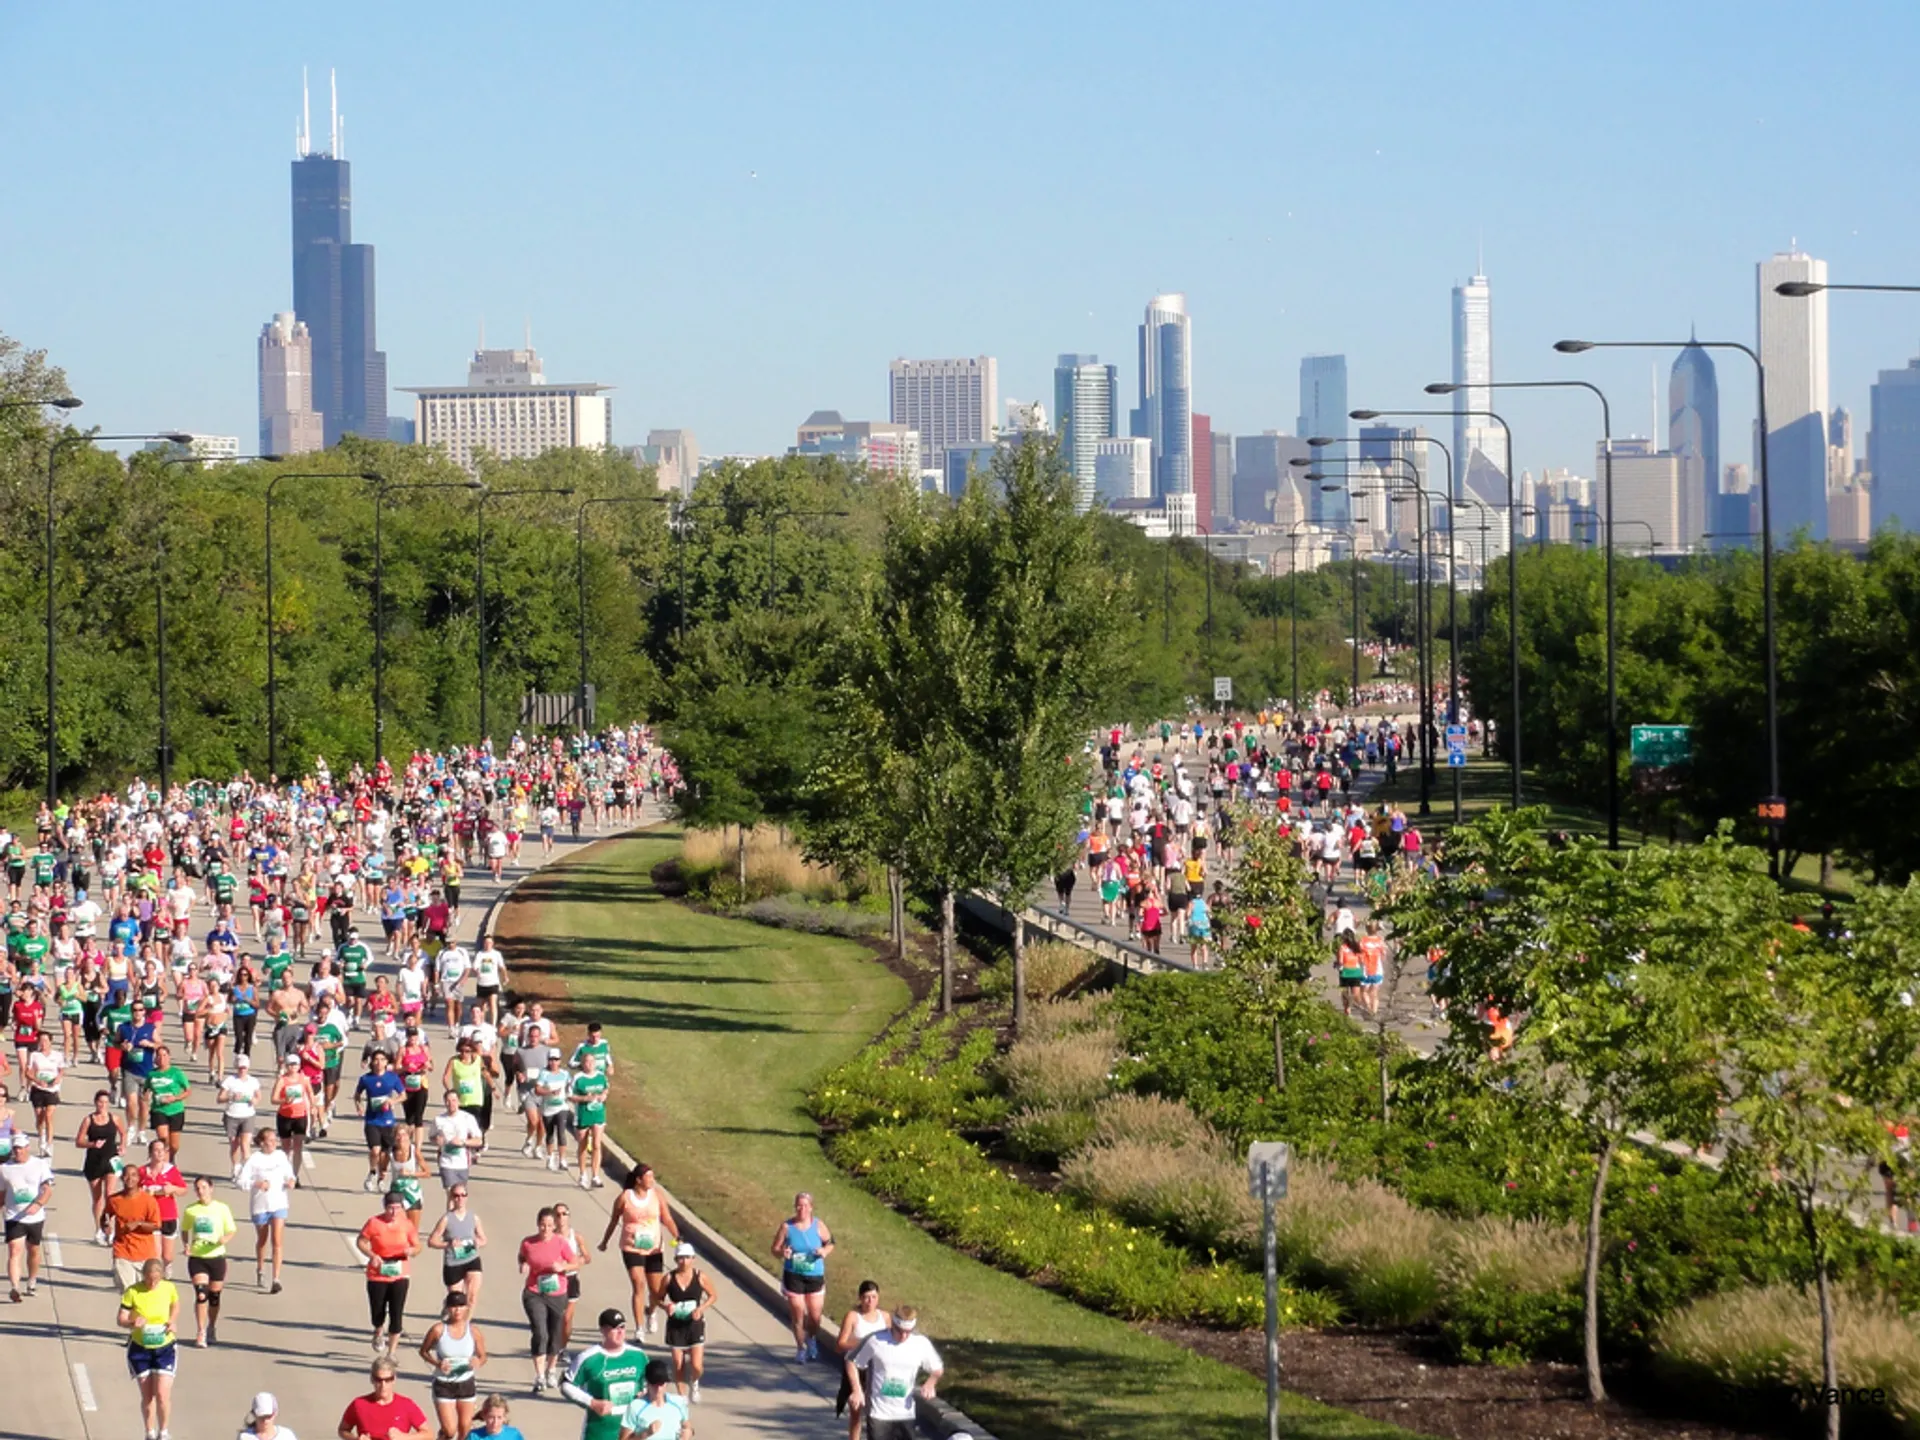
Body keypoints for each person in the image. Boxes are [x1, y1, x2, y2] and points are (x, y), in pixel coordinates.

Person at [598, 1162, 679, 1336]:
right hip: (631, 1247)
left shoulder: (657, 1195)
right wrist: (605, 1241)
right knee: (638, 1284)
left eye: (652, 1176)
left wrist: (677, 1237)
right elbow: (613, 1221)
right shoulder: (625, 1198)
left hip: (654, 1249)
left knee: (656, 1290)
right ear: (638, 1180)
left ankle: (651, 1311)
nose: (652, 1180)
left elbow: (667, 1218)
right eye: (648, 1177)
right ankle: (639, 1327)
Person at [844, 1304, 944, 1440]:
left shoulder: (921, 1344)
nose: (903, 1336)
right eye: (899, 1330)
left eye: (908, 1332)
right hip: (879, 1413)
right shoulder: (876, 1340)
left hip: (906, 1413)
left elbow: (937, 1368)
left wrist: (931, 1382)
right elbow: (851, 1362)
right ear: (893, 1324)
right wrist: (857, 1390)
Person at [518, 1206, 582, 1392]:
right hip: (534, 1292)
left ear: (554, 1226)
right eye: (542, 1225)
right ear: (537, 1225)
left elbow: (576, 1262)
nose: (545, 1229)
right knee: (540, 1332)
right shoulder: (528, 1243)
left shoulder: (561, 1243)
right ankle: (539, 1375)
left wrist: (562, 1267)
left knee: (555, 1333)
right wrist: (523, 1265)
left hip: (557, 1293)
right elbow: (522, 1256)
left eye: (549, 1225)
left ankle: (551, 1369)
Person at [558, 1306, 647, 1440]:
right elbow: (566, 1386)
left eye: (622, 1327)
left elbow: (650, 1383)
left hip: (633, 1428)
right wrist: (593, 1403)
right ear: (603, 1330)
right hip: (600, 1430)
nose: (620, 1332)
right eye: (614, 1328)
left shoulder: (638, 1356)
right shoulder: (589, 1358)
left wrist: (645, 1393)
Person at [119, 1256, 180, 1440]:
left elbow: (175, 1305)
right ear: (143, 1275)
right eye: (148, 1279)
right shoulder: (133, 1292)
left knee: (162, 1394)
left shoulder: (169, 1288)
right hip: (140, 1349)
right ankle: (149, 1433)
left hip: (165, 1348)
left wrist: (172, 1321)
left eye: (155, 1279)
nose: (152, 1283)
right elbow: (120, 1318)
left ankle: (164, 1432)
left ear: (161, 1276)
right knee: (148, 1396)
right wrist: (132, 1322)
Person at [359, 1189, 422, 1358]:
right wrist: (372, 1255)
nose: (394, 1212)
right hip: (378, 1272)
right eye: (390, 1208)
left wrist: (412, 1251)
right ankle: (378, 1330)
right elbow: (362, 1241)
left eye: (398, 1208)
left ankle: (392, 1353)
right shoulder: (374, 1222)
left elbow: (418, 1246)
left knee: (397, 1313)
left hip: (399, 1272)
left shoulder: (406, 1224)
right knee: (377, 1311)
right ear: (384, 1207)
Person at [418, 1289, 489, 1440]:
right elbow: (423, 1351)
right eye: (453, 1306)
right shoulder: (438, 1330)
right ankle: (443, 1435)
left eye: (461, 1306)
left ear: (466, 1308)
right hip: (444, 1384)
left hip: (466, 1382)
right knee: (450, 1430)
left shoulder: (473, 1331)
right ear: (447, 1308)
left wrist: (477, 1362)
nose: (457, 1310)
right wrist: (437, 1363)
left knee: (465, 1429)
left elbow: (483, 1356)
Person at [771, 1190, 833, 1361]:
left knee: (814, 1316)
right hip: (794, 1275)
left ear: (811, 1208)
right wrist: (783, 1252)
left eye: (805, 1206)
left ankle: (811, 1339)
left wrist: (824, 1251)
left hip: (814, 1275)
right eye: (799, 1205)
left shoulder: (818, 1225)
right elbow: (774, 1249)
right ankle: (800, 1349)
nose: (801, 1209)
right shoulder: (787, 1227)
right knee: (798, 1313)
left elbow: (830, 1242)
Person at [237, 1127, 295, 1293]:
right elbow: (241, 1181)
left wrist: (291, 1181)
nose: (274, 1143)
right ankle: (261, 1268)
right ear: (262, 1143)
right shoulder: (254, 1159)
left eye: (275, 1139)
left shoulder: (281, 1156)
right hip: (260, 1205)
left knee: (277, 1241)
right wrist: (257, 1184)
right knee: (263, 1240)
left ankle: (276, 1279)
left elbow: (288, 1174)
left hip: (279, 1203)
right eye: (270, 1140)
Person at [659, 1242, 716, 1403]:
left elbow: (713, 1295)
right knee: (678, 1364)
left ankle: (695, 1382)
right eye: (680, 1258)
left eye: (687, 1258)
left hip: (694, 1324)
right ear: (676, 1259)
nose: (683, 1262)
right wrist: (666, 1306)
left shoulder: (700, 1276)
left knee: (696, 1365)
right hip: (676, 1325)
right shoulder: (669, 1278)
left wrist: (701, 1308)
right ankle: (682, 1396)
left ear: (693, 1259)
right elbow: (657, 1298)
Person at [834, 1279, 889, 1440]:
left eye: (873, 1297)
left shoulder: (884, 1317)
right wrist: (864, 1341)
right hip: (856, 1369)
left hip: (877, 1370)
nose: (870, 1301)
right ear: (859, 1298)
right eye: (866, 1297)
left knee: (877, 1412)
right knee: (856, 1411)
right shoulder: (853, 1316)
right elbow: (840, 1345)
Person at [75, 1086, 126, 1241]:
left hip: (111, 1159)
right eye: (100, 1102)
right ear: (95, 1103)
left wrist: (123, 1146)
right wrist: (92, 1144)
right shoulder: (88, 1120)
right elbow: (79, 1141)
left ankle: (109, 1228)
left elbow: (123, 1133)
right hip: (94, 1161)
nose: (103, 1105)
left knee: (110, 1195)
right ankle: (98, 1229)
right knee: (97, 1199)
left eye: (105, 1102)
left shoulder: (114, 1118)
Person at [337, 1358, 431, 1440]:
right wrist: (356, 1439)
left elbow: (428, 1434)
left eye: (388, 1380)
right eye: (379, 1380)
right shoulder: (359, 1404)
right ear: (372, 1380)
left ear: (394, 1379)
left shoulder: (406, 1405)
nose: (383, 1385)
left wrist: (403, 1437)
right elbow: (343, 1430)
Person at [427, 1182, 487, 1309]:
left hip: (472, 1259)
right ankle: (449, 1307)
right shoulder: (446, 1219)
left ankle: (465, 1326)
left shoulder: (473, 1217)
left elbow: (484, 1239)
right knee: (457, 1300)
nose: (460, 1199)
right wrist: (448, 1244)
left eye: (463, 1195)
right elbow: (431, 1241)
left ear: (467, 1197)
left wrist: (478, 1243)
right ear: (452, 1198)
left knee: (472, 1297)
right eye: (456, 1196)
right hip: (453, 1263)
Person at [104, 1162, 163, 1289]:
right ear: (122, 1178)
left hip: (145, 1254)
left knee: (146, 1294)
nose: (130, 1179)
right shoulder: (114, 1200)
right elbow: (105, 1215)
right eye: (126, 1175)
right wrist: (105, 1226)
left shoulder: (148, 1201)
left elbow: (156, 1225)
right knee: (128, 1292)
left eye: (134, 1175)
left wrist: (139, 1224)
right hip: (122, 1252)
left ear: (139, 1178)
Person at [356, 1049, 406, 1194]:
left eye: (382, 1060)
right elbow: (357, 1095)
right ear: (372, 1062)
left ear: (386, 1062)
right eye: (376, 1059)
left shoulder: (392, 1078)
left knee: (385, 1155)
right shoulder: (366, 1079)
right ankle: (372, 1173)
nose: (379, 1062)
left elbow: (403, 1095)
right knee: (375, 1150)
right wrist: (359, 1106)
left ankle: (382, 1179)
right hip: (372, 1120)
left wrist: (392, 1101)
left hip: (388, 1121)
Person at [136, 1137, 187, 1277]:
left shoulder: (171, 1171)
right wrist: (143, 1192)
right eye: (156, 1150)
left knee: (167, 1255)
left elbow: (183, 1189)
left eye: (162, 1151)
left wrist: (172, 1189)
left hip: (168, 1216)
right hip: (150, 1217)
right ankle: (156, 1276)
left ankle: (168, 1265)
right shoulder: (142, 1171)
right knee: (155, 1253)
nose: (159, 1153)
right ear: (150, 1153)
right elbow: (133, 1190)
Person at [616, 1358, 688, 1440]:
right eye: (654, 1384)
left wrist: (689, 1432)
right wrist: (646, 1433)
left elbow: (686, 1425)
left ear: (666, 1383)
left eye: (661, 1383)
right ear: (647, 1383)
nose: (658, 1389)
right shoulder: (635, 1407)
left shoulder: (678, 1402)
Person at [431, 1088, 484, 1193]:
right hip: (446, 1162)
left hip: (462, 1163)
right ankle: (450, 1210)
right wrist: (437, 1140)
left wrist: (463, 1142)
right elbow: (432, 1136)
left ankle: (458, 1210)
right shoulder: (439, 1120)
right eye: (448, 1101)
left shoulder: (468, 1118)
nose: (451, 1104)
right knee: (451, 1193)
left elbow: (479, 1141)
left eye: (454, 1100)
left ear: (459, 1102)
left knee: (460, 1194)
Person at [570, 1049, 609, 1189]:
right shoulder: (578, 1078)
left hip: (598, 1114)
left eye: (592, 1061)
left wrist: (604, 1095)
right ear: (582, 1063)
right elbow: (570, 1096)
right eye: (587, 1061)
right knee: (583, 1144)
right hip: (583, 1114)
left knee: (597, 1144)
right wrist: (584, 1098)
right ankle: (582, 1174)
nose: (590, 1064)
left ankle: (596, 1175)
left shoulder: (601, 1076)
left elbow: (605, 1089)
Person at [220, 1054, 263, 1178]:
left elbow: (258, 1096)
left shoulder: (253, 1081)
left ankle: (247, 1171)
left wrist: (255, 1101)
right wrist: (231, 1097)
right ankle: (235, 1167)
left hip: (248, 1115)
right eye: (240, 1068)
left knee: (245, 1144)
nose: (242, 1070)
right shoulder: (230, 1080)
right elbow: (220, 1098)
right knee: (234, 1144)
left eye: (244, 1067)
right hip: (232, 1115)